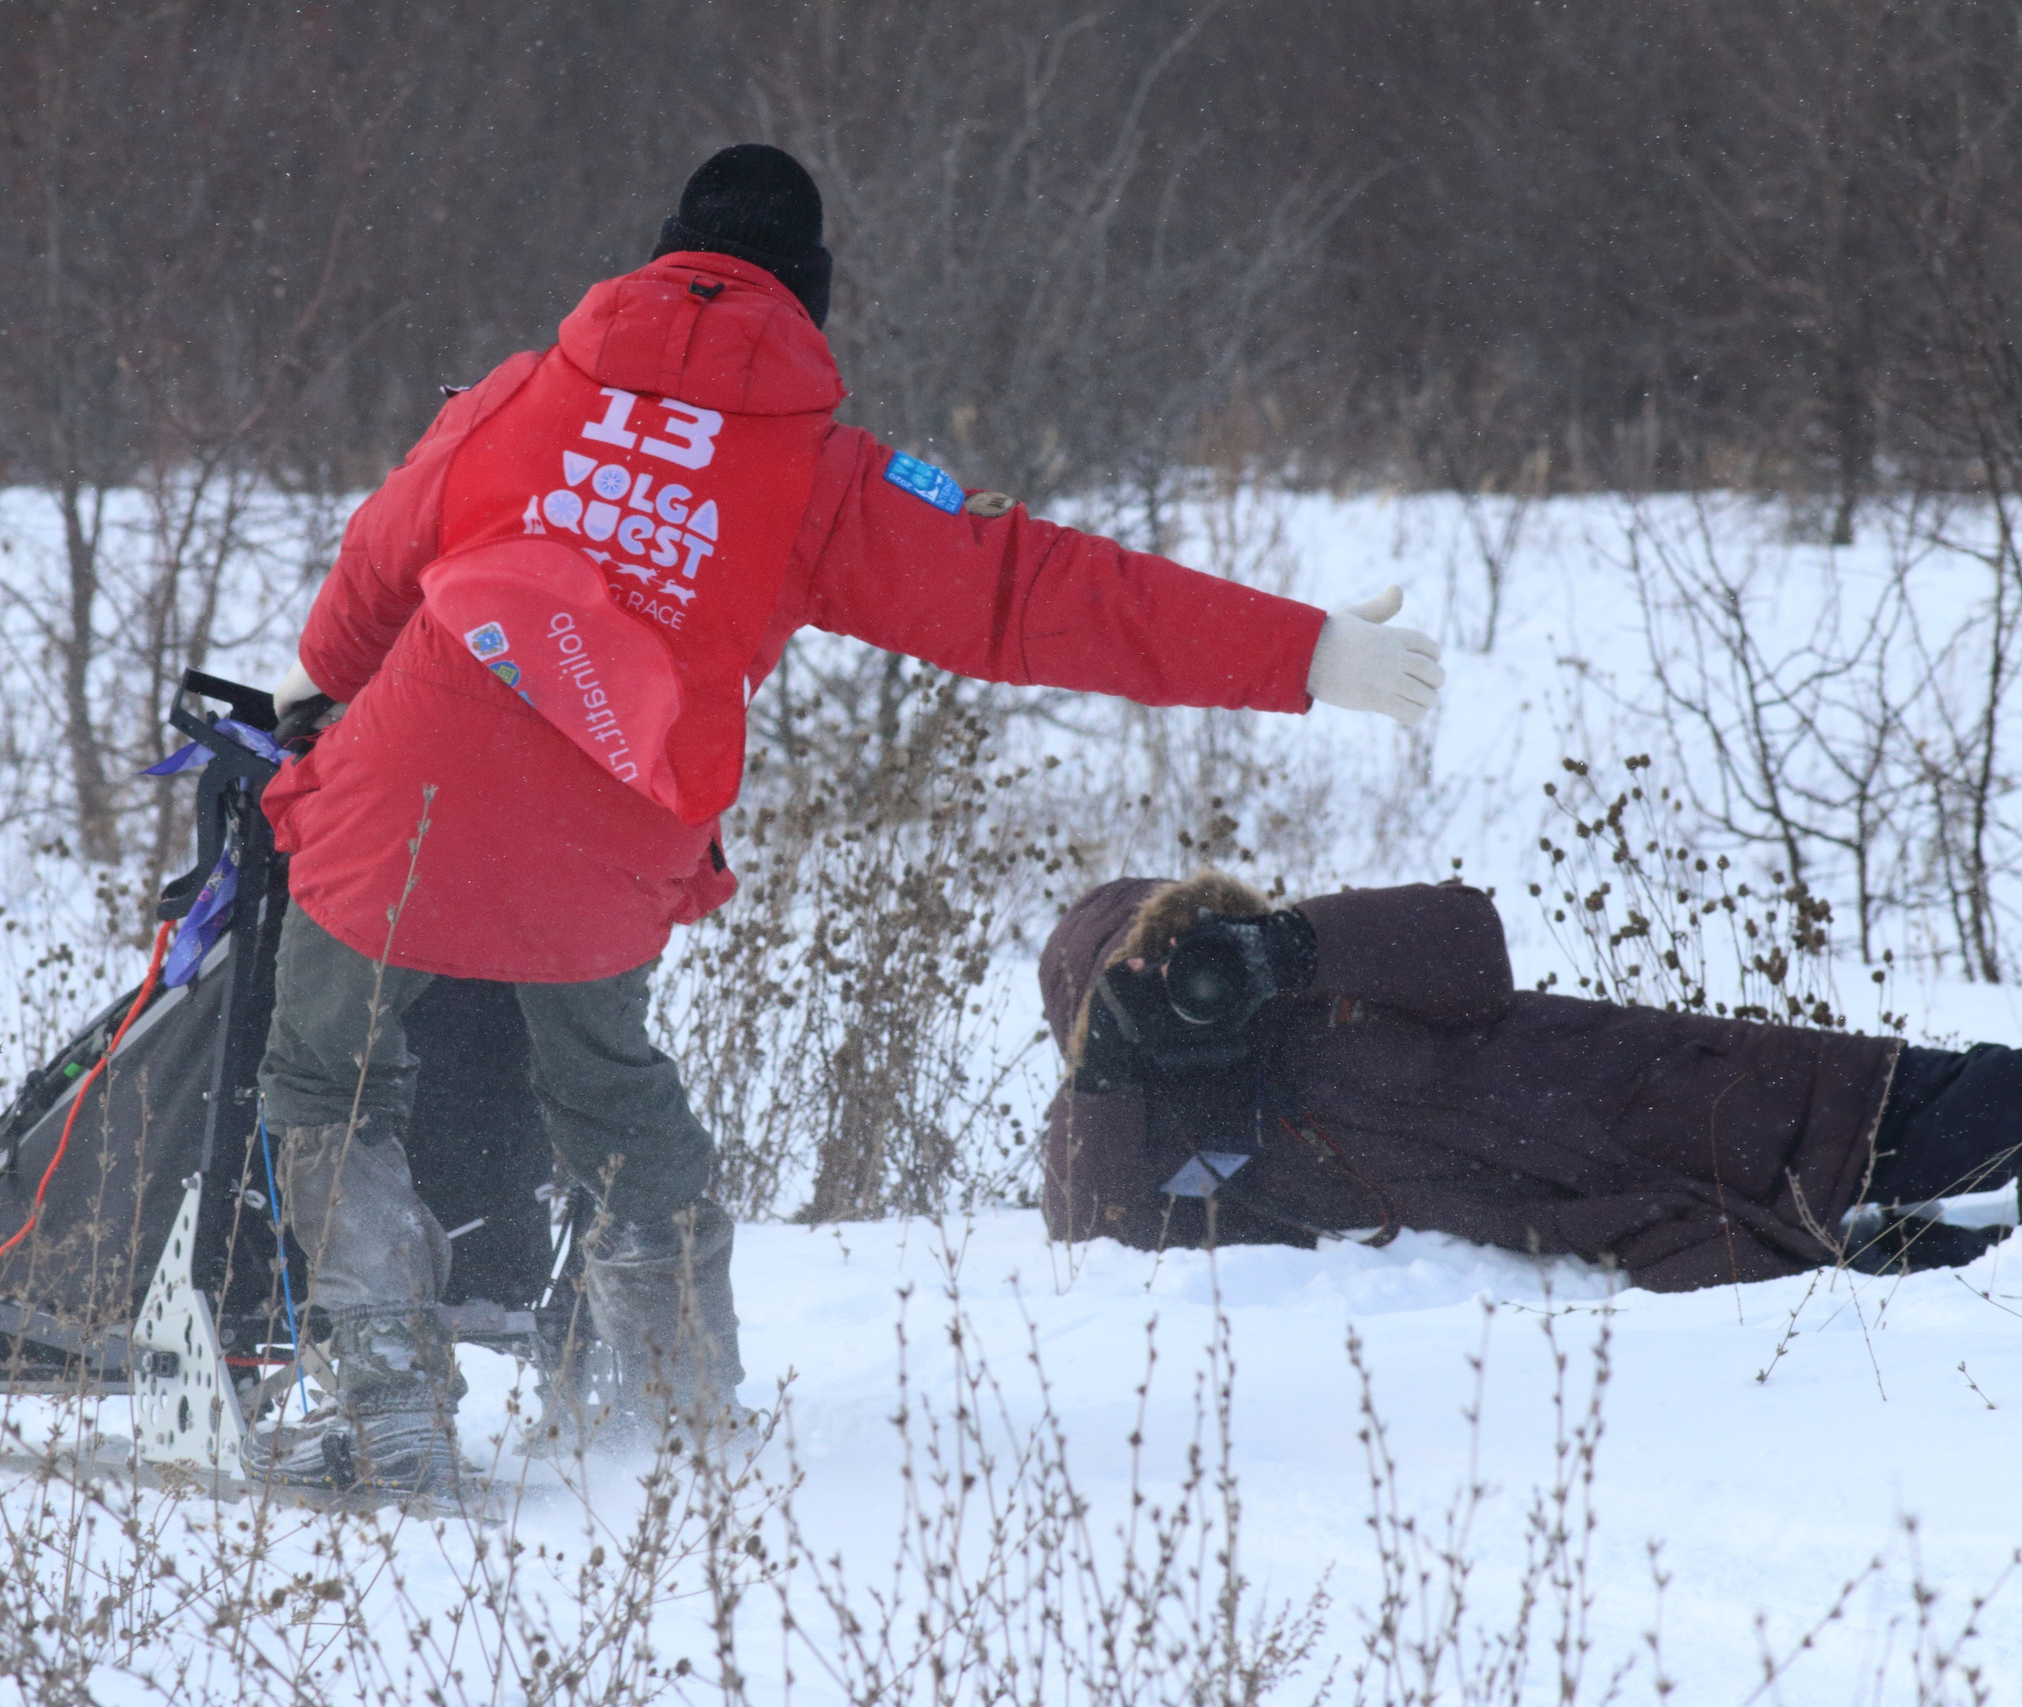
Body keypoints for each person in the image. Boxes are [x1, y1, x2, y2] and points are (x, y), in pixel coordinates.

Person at [253, 144, 1447, 1495]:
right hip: (613, 815)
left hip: (404, 784)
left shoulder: (522, 394)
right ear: (807, 297)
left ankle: (391, 1407)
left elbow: (378, 561)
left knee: (326, 1075)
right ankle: (672, 1407)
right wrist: (1303, 653)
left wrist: (315, 680)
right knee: (608, 1087)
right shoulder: (814, 473)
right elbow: (1032, 590)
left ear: (661, 256)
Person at [1039, 872, 2022, 1289]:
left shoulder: (1321, 974)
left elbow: (1468, 936)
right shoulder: (1192, 1143)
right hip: (1699, 1238)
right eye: (1138, 989)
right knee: (1968, 1293)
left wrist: (1280, 947)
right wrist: (1109, 1073)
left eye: (1184, 958)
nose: (1185, 994)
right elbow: (1090, 1241)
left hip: (1791, 1107)